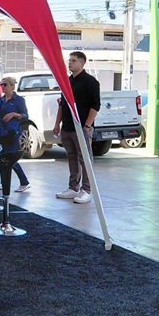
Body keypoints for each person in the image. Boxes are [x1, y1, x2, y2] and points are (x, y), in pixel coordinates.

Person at [53, 51, 101, 204]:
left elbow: (95, 105)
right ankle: (73, 187)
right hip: (67, 126)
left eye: (73, 60)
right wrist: (57, 124)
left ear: (82, 63)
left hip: (82, 127)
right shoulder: (67, 82)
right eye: (69, 60)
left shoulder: (91, 82)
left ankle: (86, 189)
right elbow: (62, 104)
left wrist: (87, 125)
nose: (70, 63)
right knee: (71, 156)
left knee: (85, 158)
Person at [0, 76, 31, 192]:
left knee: (10, 158)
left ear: (12, 86)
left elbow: (25, 116)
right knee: (1, 158)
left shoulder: (18, 100)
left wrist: (14, 114)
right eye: (1, 85)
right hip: (0, 132)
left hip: (12, 133)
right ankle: (4, 182)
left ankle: (24, 181)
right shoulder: (0, 100)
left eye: (5, 85)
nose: (3, 87)